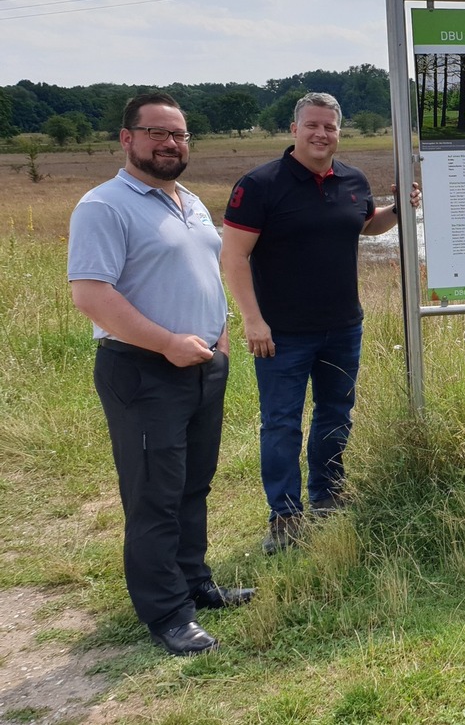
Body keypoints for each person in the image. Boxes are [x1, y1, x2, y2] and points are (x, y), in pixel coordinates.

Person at [68, 93, 254, 657]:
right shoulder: (105, 206)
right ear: (127, 138)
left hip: (201, 365)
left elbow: (199, 271)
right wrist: (167, 342)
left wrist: (216, 328)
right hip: (144, 369)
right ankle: (167, 613)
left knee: (192, 484)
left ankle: (194, 582)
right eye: (156, 133)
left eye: (179, 134)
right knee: (153, 494)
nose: (170, 143)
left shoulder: (189, 201)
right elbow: (92, 295)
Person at [221, 92, 418, 554]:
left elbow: (364, 225)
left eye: (329, 126)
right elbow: (233, 257)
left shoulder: (353, 179)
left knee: (335, 415)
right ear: (294, 129)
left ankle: (328, 497)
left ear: (339, 131)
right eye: (312, 125)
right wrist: (253, 321)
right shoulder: (260, 185)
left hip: (343, 327)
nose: (321, 133)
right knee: (282, 423)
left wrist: (399, 210)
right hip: (280, 334)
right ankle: (285, 518)